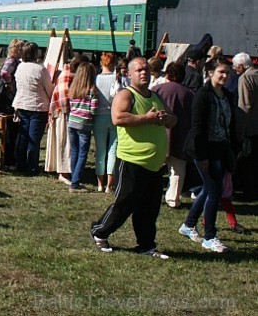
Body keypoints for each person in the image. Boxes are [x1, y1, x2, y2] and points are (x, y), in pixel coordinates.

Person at [90, 57, 176, 259]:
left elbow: (173, 120)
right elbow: (118, 118)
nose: (143, 73)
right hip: (131, 161)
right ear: (130, 74)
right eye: (139, 70)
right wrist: (147, 118)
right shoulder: (126, 95)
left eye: (146, 69)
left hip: (154, 164)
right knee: (125, 203)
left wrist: (166, 119)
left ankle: (146, 245)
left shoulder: (155, 96)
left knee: (149, 208)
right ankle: (100, 231)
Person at [178, 58, 239, 253]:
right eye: (221, 72)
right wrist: (202, 156)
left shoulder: (227, 95)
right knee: (214, 192)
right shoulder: (203, 96)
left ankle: (188, 225)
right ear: (210, 72)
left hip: (221, 149)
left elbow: (230, 124)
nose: (225, 76)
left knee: (209, 189)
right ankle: (210, 236)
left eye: (227, 73)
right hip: (204, 149)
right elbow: (197, 128)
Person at [152, 62, 194, 209]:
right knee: (178, 169)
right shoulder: (189, 94)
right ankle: (173, 199)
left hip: (159, 133)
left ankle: (149, 194)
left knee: (154, 167)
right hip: (180, 135)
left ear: (167, 73)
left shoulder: (156, 90)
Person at [11, 42, 53, 175]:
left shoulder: (20, 67)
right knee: (34, 139)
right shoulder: (40, 69)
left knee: (23, 137)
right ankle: (32, 167)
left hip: (22, 104)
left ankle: (21, 164)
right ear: (35, 53)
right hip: (38, 107)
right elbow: (49, 89)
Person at [46, 56, 88, 185]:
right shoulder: (67, 75)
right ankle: (63, 172)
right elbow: (64, 97)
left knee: (66, 143)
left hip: (67, 113)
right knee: (64, 142)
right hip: (63, 113)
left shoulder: (69, 73)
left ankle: (66, 170)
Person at [67, 62, 98, 192]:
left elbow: (71, 106)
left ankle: (74, 178)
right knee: (82, 154)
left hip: (72, 122)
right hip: (84, 124)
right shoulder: (92, 91)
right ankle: (75, 183)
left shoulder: (73, 89)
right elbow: (93, 111)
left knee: (74, 152)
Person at [233, 52, 258, 201]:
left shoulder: (245, 78)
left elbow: (245, 105)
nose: (235, 70)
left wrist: (240, 130)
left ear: (242, 66)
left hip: (250, 128)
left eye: (236, 67)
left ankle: (249, 192)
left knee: (246, 162)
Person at [93, 52, 118, 193]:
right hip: (114, 116)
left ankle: (100, 184)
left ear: (101, 63)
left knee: (100, 150)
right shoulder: (118, 78)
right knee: (113, 150)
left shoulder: (96, 79)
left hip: (99, 117)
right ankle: (109, 185)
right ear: (114, 63)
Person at [0, 38, 24, 167]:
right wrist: (10, 84)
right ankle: (9, 159)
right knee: (11, 129)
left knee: (11, 129)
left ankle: (9, 158)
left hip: (9, 97)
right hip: (9, 98)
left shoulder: (13, 60)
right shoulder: (12, 60)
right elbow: (4, 73)